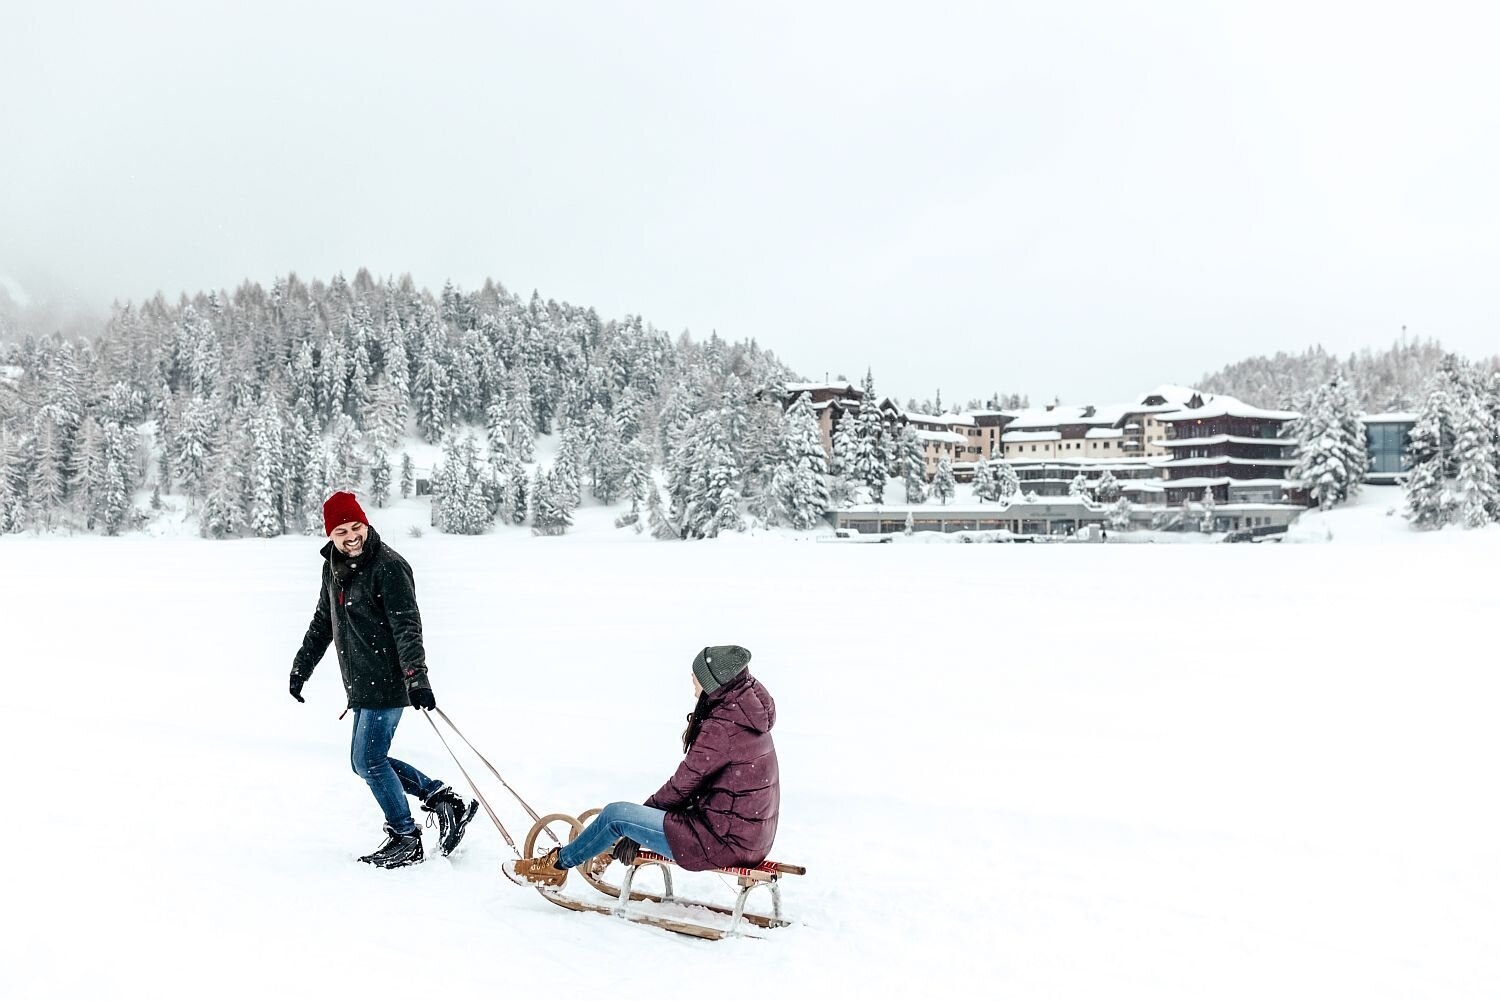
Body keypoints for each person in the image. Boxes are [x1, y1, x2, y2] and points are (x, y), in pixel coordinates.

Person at [290, 491, 477, 869]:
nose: (351, 536)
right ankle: (443, 800)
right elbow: (322, 622)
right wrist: (301, 668)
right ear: (330, 535)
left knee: (369, 760)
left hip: (389, 682)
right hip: (360, 684)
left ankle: (406, 836)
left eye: (356, 526)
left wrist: (416, 677)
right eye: (341, 531)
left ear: (366, 523)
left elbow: (407, 626)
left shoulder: (389, 566)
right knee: (363, 762)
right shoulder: (333, 567)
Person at [513, 645, 779, 886]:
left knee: (616, 816)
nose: (692, 680)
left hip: (720, 843)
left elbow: (683, 784)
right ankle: (599, 849)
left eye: (696, 675)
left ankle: (556, 866)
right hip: (750, 840)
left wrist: (637, 824)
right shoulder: (745, 716)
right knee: (631, 818)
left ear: (713, 682)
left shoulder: (723, 726)